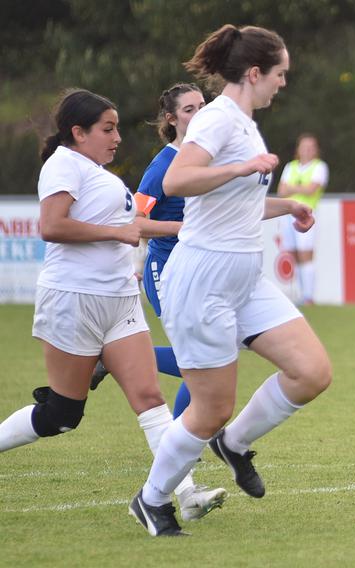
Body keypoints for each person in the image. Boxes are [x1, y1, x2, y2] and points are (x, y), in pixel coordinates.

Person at [129, 25, 330, 537]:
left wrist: (286, 207)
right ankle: (152, 500)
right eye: (280, 74)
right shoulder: (218, 118)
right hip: (202, 278)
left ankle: (233, 444)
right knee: (211, 406)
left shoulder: (243, 121)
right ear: (255, 73)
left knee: (311, 372)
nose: (283, 83)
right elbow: (178, 181)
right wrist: (243, 167)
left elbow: (232, 200)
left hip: (244, 277)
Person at [0, 89, 224, 519]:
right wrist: (118, 234)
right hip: (74, 299)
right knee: (62, 416)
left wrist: (182, 227)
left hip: (119, 298)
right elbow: (52, 226)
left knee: (150, 399)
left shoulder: (100, 173)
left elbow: (132, 224)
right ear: (78, 132)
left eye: (117, 127)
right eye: (108, 128)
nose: (117, 137)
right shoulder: (63, 164)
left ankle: (187, 495)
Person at [92, 83, 228, 521]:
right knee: (203, 362)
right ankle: (183, 464)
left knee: (215, 355)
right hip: (166, 273)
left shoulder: (207, 157)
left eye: (203, 106)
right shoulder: (164, 164)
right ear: (171, 119)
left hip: (203, 272)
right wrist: (187, 232)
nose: (199, 113)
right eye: (189, 109)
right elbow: (138, 222)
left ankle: (118, 359)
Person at [277, 133, 328, 305]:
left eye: (311, 147)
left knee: (306, 254)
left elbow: (312, 189)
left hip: (307, 215)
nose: (307, 150)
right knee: (293, 254)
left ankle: (309, 297)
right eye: (304, 146)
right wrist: (300, 188)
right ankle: (300, 294)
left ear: (316, 150)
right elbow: (281, 192)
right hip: (287, 215)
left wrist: (292, 188)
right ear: (298, 149)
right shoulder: (290, 167)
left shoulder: (319, 167)